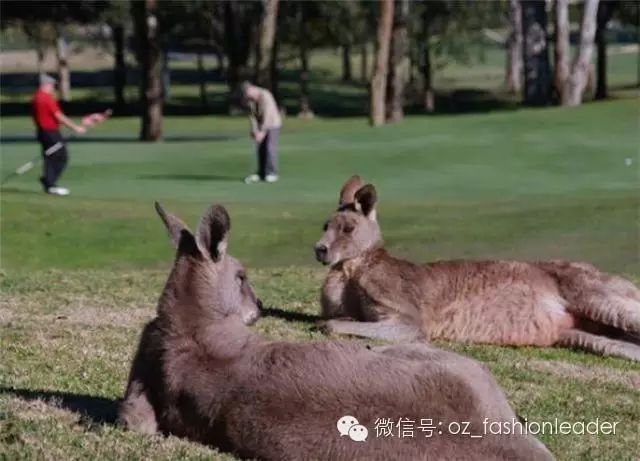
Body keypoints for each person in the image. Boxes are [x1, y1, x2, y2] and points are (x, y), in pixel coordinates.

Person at [32, 74, 86, 196]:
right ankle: (50, 184)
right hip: (50, 132)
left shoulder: (36, 97)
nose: (53, 88)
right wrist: (75, 127)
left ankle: (49, 182)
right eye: (52, 86)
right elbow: (59, 116)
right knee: (60, 157)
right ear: (46, 85)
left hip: (43, 132)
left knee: (51, 157)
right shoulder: (46, 98)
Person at [241, 81, 282, 184]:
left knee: (270, 148)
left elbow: (268, 115)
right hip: (260, 125)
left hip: (273, 124)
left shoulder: (266, 95)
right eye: (246, 96)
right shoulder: (250, 100)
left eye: (248, 94)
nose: (249, 97)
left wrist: (262, 132)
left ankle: (272, 173)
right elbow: (252, 116)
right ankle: (262, 173)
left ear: (253, 89)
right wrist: (254, 131)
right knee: (260, 149)